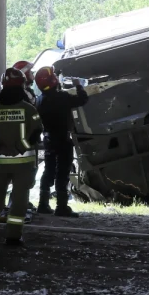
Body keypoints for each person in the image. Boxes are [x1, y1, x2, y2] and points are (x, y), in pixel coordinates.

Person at [0, 68, 44, 247]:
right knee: (20, 199)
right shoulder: (29, 109)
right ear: (22, 85)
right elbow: (37, 132)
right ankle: (13, 237)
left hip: (0, 163)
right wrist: (18, 148)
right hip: (24, 163)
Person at [34, 66, 88, 217]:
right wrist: (78, 85)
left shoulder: (39, 101)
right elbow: (83, 100)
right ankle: (61, 206)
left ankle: (43, 204)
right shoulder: (62, 97)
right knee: (62, 171)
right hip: (63, 140)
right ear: (54, 81)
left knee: (49, 170)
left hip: (48, 139)